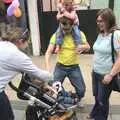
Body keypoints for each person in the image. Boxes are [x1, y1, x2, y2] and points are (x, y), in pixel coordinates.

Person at [0, 24, 52, 120]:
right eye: (27, 42)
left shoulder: (2, 44)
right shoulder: (18, 56)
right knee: (8, 117)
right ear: (20, 41)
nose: (27, 45)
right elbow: (40, 75)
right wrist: (51, 76)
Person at [45, 17, 90, 106]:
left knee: (81, 90)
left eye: (67, 29)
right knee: (53, 87)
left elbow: (88, 47)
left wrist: (82, 47)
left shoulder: (79, 34)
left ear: (72, 25)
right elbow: (48, 52)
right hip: (60, 67)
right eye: (63, 29)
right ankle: (65, 97)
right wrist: (47, 68)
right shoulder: (57, 35)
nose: (65, 31)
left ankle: (78, 99)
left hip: (74, 67)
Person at [88, 8, 120, 120]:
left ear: (109, 20)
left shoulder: (116, 34)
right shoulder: (101, 34)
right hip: (95, 73)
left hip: (106, 75)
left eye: (102, 21)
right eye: (98, 21)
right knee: (97, 98)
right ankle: (94, 115)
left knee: (102, 102)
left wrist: (111, 75)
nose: (99, 23)